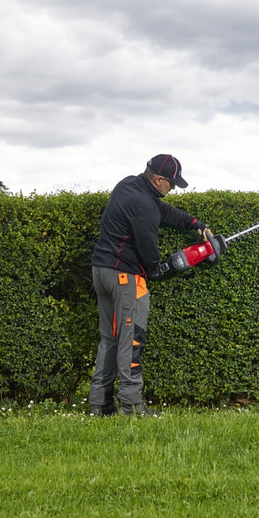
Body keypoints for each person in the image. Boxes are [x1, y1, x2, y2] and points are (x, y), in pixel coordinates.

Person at [89, 154, 210, 417]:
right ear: (158, 180)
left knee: (109, 340)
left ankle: (100, 404)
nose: (174, 188)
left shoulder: (129, 185)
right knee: (131, 340)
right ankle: (131, 407)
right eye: (172, 183)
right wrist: (155, 270)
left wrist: (194, 224)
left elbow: (163, 211)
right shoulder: (143, 204)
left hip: (102, 271)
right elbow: (147, 246)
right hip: (125, 277)